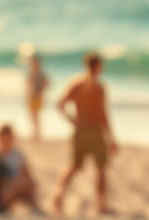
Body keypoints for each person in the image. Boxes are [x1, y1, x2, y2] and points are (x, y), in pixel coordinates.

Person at [52, 52, 116, 215]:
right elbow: (103, 116)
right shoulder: (99, 87)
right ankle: (101, 205)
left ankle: (59, 192)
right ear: (98, 66)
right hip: (94, 132)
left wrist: (72, 120)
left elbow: (60, 104)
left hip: (79, 131)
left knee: (74, 166)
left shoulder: (76, 83)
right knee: (101, 169)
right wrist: (111, 138)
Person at [25, 52, 49, 140]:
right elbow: (28, 85)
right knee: (32, 115)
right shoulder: (32, 73)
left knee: (35, 115)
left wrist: (41, 92)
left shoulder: (39, 73)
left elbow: (47, 83)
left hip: (37, 97)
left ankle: (37, 133)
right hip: (32, 97)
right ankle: (35, 132)